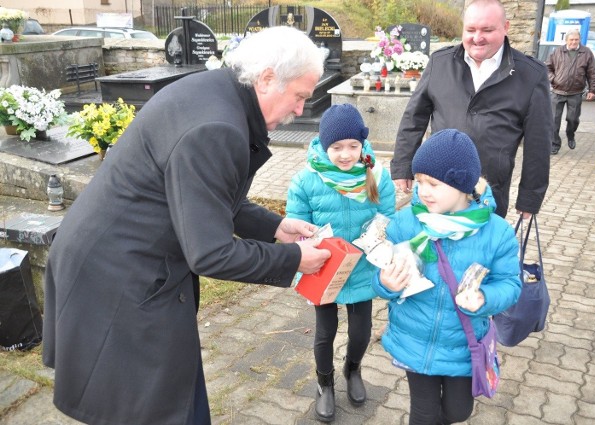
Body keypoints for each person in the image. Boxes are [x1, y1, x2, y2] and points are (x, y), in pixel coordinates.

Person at [42, 26, 332, 425]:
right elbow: (211, 252)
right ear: (267, 78)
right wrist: (293, 258)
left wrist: (275, 228)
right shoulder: (217, 127)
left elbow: (204, 197)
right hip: (119, 279)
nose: (301, 110)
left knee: (168, 401)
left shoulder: (216, 90)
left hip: (114, 258)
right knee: (152, 408)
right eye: (300, 96)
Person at [373, 129, 521, 425]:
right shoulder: (406, 223)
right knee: (423, 414)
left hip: (462, 343)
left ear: (463, 185)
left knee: (458, 411)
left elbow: (510, 284)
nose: (423, 191)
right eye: (419, 181)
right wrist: (385, 285)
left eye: (434, 184)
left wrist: (485, 298)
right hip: (414, 338)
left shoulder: (496, 232)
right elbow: (380, 273)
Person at [392, 0, 552, 219]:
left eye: (487, 30)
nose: (477, 37)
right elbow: (414, 118)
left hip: (488, 191)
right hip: (436, 186)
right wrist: (402, 165)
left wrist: (530, 197)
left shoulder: (531, 75)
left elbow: (539, 142)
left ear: (505, 28)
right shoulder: (440, 63)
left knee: (480, 252)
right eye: (471, 30)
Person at [285, 104, 396, 422]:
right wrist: (309, 247)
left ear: (363, 145)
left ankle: (353, 369)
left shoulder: (377, 175)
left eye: (353, 146)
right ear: (323, 145)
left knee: (361, 332)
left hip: (361, 268)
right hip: (324, 271)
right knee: (325, 333)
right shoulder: (305, 182)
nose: (345, 155)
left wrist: (379, 237)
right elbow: (296, 228)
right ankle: (324, 384)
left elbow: (388, 218)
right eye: (336, 147)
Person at [547, 29, 595, 154]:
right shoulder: (557, 52)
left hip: (575, 93)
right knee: (554, 120)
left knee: (573, 119)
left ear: (579, 40)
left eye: (576, 39)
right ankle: (554, 144)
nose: (574, 42)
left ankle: (570, 135)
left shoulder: (586, 53)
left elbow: (592, 72)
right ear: (566, 40)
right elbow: (547, 67)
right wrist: (554, 79)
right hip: (557, 92)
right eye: (571, 40)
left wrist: (593, 89)